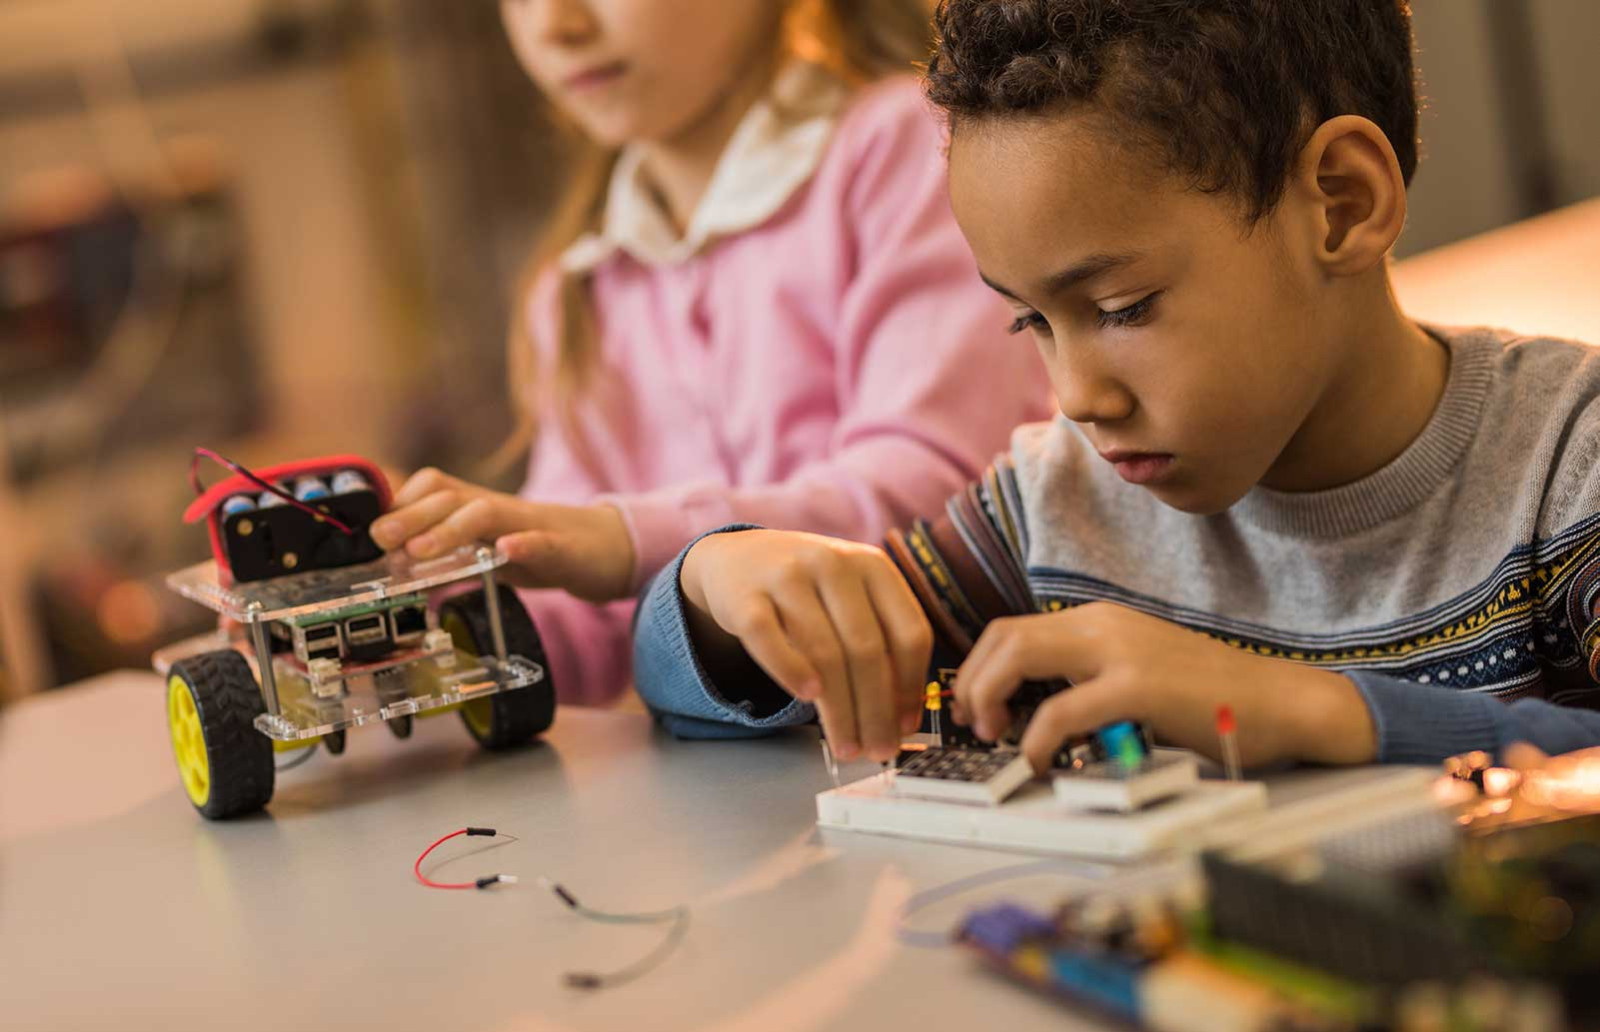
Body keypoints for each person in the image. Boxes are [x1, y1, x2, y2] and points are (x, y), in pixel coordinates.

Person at [631, 0, 1600, 770]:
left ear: (1341, 203)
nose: (1077, 398)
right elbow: (695, 689)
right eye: (1031, 322)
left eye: (1124, 308)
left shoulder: (1568, 470)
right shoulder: (1054, 513)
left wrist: (1307, 710)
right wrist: (715, 586)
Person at [370, 0, 1049, 705]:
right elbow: (587, 627)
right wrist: (414, 594)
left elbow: (939, 500)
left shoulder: (913, 146)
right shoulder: (579, 288)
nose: (556, 26)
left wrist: (619, 540)